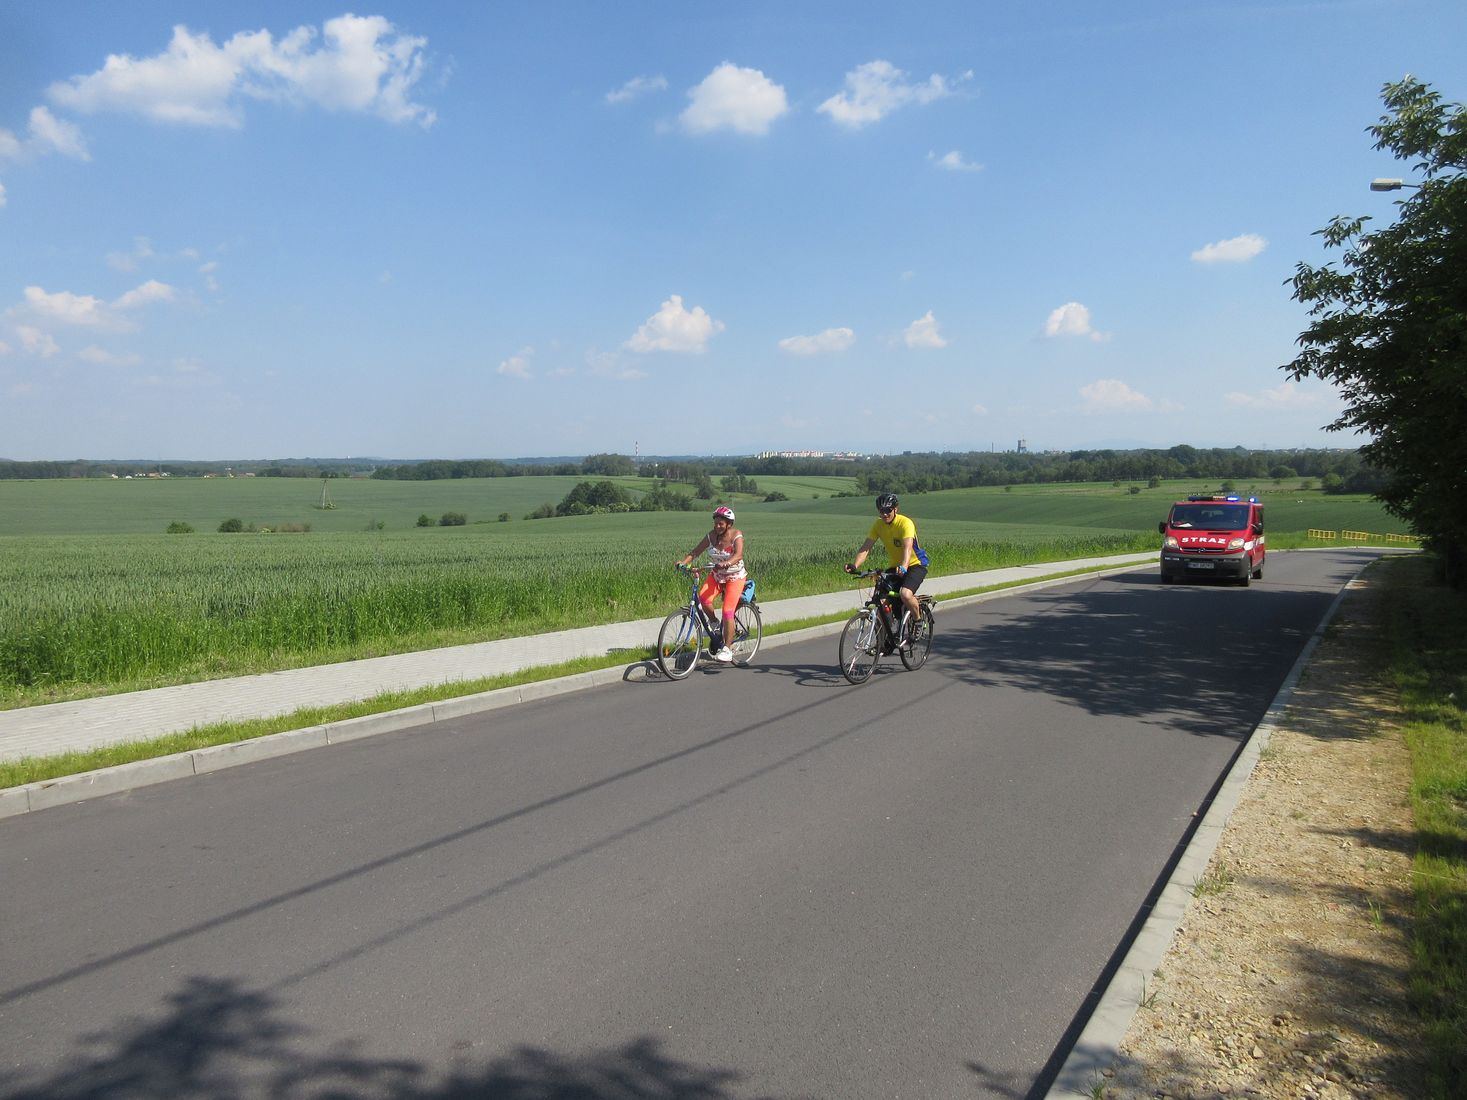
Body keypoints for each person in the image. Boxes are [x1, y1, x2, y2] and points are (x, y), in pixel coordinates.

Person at [845, 492, 928, 649]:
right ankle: (887, 638)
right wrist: (855, 565)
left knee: (905, 594)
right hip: (895, 566)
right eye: (881, 511)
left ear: (895, 509)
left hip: (915, 564)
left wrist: (904, 566)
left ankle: (918, 621)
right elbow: (866, 547)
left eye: (888, 510)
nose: (884, 514)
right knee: (882, 601)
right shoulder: (878, 525)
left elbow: (907, 548)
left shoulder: (905, 523)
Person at [677, 505, 747, 663]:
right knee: (703, 599)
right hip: (717, 575)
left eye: (721, 523)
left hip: (734, 577)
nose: (717, 526)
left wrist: (727, 563)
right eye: (715, 523)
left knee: (727, 611)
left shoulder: (736, 535)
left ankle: (727, 649)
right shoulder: (711, 536)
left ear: (729, 524)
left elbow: (738, 555)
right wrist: (683, 562)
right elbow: (695, 552)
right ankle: (714, 623)